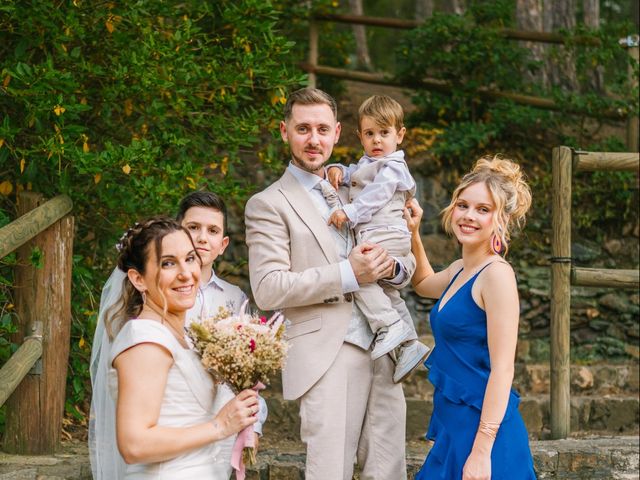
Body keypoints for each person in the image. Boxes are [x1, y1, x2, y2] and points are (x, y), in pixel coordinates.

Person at [245, 87, 409, 480]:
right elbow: (268, 288)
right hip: (327, 353)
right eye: (303, 128)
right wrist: (349, 274)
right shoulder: (269, 203)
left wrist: (392, 269)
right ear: (284, 132)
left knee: (388, 470)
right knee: (330, 472)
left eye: (322, 129)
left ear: (337, 133)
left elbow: (402, 261)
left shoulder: (364, 184)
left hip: (387, 346)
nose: (313, 139)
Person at [89, 217, 259, 479]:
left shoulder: (182, 338)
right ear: (138, 279)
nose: (185, 273)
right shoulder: (145, 339)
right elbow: (134, 444)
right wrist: (220, 426)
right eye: (168, 263)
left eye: (190, 259)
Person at [406, 156, 537, 480]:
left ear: (500, 220)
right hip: (455, 427)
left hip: (485, 436)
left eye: (483, 209)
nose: (468, 216)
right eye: (463, 205)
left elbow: (503, 369)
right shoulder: (460, 270)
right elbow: (422, 284)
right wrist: (414, 233)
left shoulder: (497, 276)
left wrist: (481, 451)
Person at [326, 94, 430, 382]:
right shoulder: (370, 163)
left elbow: (377, 194)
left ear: (400, 135)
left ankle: (388, 326)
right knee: (388, 294)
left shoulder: (394, 167)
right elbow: (357, 175)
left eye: (384, 133)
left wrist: (350, 212)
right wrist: (338, 170)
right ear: (360, 136)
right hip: (382, 236)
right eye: (369, 134)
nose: (377, 141)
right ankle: (409, 344)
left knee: (357, 276)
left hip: (387, 235)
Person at [176, 191, 267, 450]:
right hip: (173, 417)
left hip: (223, 422)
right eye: (193, 227)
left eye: (213, 231)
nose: (202, 238)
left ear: (223, 245)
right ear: (176, 233)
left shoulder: (235, 298)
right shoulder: (159, 291)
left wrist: (253, 426)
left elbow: (249, 375)